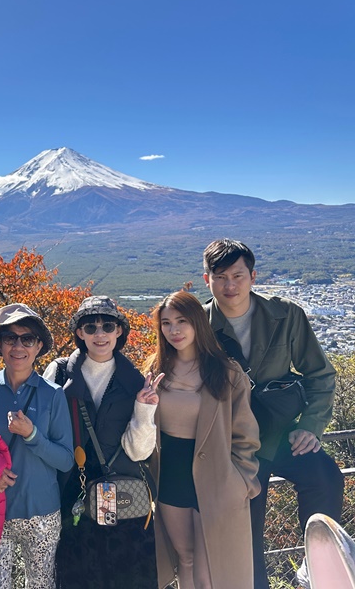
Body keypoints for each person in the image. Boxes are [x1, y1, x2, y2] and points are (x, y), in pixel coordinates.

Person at [202, 238, 343, 589]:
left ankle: (316, 567)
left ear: (253, 276)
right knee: (247, 522)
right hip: (232, 442)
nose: (230, 285)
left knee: (326, 477)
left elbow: (320, 373)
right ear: (207, 280)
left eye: (238, 276)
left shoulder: (286, 315)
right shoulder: (199, 324)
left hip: (280, 433)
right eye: (220, 277)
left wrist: (311, 426)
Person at [42, 296, 161, 589]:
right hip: (74, 497)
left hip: (124, 495)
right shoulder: (57, 374)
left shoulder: (135, 381)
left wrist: (145, 410)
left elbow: (139, 451)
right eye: (90, 326)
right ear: (79, 333)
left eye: (108, 325)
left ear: (119, 331)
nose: (100, 334)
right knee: (78, 577)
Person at [145, 290, 261, 589]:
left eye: (181, 321)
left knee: (212, 570)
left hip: (217, 478)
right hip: (171, 475)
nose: (174, 330)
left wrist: (241, 482)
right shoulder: (154, 370)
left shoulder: (226, 372)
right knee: (186, 558)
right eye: (166, 323)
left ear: (198, 322)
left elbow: (246, 436)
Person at [0, 303, 73, 589]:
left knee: (41, 585)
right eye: (10, 338)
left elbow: (66, 460)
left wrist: (32, 434)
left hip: (43, 512)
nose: (18, 346)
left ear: (38, 347)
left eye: (28, 339)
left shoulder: (53, 395)